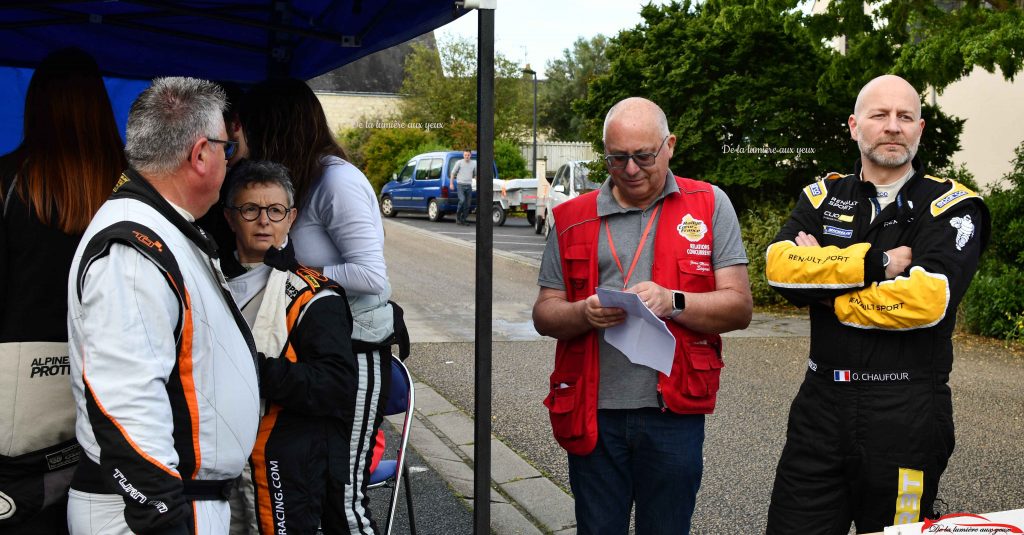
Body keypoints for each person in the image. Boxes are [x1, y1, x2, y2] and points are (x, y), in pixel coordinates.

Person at [764, 74, 990, 534]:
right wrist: (877, 263)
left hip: (905, 415)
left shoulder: (952, 206)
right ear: (853, 125)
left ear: (920, 129)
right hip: (820, 409)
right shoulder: (823, 195)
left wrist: (828, 290)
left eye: (905, 116)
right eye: (879, 115)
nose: (893, 126)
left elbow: (927, 299)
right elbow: (779, 267)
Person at [532, 97, 753, 534]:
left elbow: (739, 306)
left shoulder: (709, 206)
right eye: (618, 158)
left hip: (673, 413)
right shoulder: (572, 219)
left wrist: (675, 301)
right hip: (594, 414)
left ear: (669, 145)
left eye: (644, 156)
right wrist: (583, 313)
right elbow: (544, 313)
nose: (631, 169)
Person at [65, 77, 260, 534]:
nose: (228, 161)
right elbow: (126, 404)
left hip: (175, 505)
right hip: (152, 515)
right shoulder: (133, 250)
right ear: (200, 155)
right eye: (225, 149)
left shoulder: (160, 230)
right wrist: (165, 519)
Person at [239, 77, 395, 535]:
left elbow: (372, 277)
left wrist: (298, 272)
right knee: (320, 493)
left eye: (248, 129)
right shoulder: (302, 177)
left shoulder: (336, 179)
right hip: (320, 352)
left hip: (360, 350)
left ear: (274, 127)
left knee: (343, 501)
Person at [0, 47, 126, 535]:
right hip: (113, 381)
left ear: (36, 107)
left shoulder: (8, 182)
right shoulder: (134, 191)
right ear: (100, 109)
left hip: (20, 388)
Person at [221, 160, 359, 535]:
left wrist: (252, 370)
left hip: (286, 462)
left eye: (275, 210)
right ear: (230, 217)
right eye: (250, 209)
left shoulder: (317, 296)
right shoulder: (207, 279)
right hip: (216, 456)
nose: (263, 220)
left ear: (291, 217)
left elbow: (336, 386)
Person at [450, 150, 476, 225]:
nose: (467, 156)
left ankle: (463, 219)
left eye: (468, 155)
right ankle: (458, 217)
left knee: (468, 204)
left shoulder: (474, 164)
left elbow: (475, 175)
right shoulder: (459, 163)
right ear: (463, 155)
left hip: (469, 185)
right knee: (462, 200)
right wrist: (451, 184)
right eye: (465, 155)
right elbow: (452, 173)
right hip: (460, 185)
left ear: (470, 155)